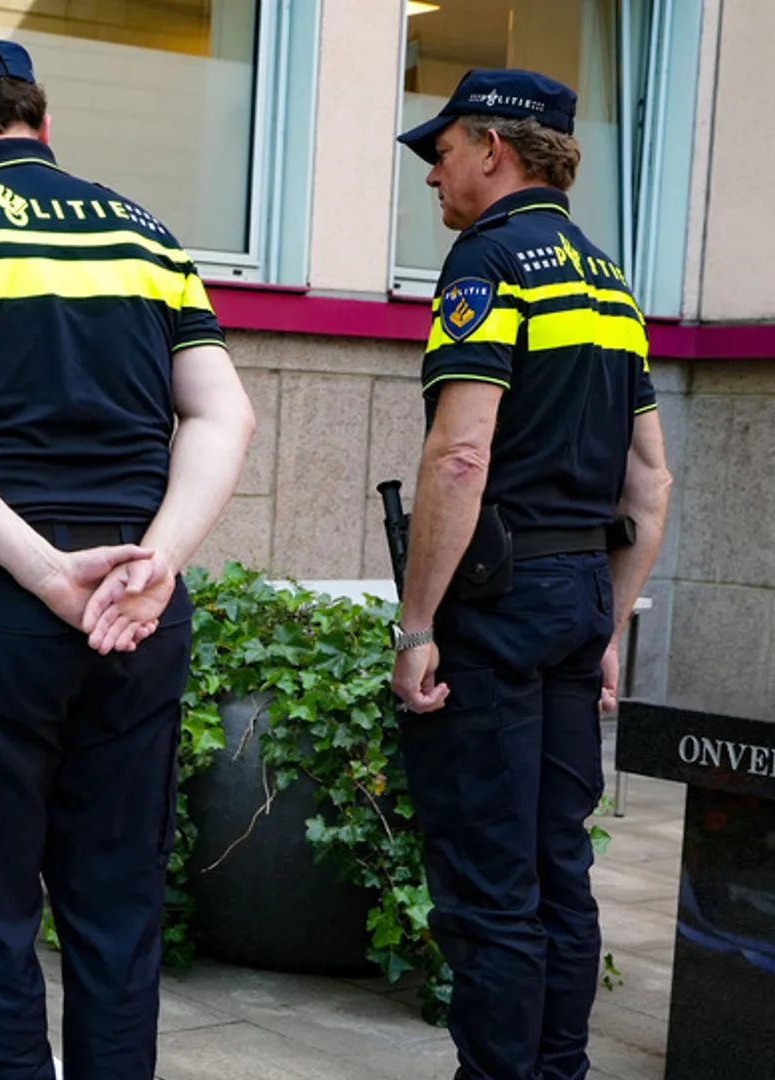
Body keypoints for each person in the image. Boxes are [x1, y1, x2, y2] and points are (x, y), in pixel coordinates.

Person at [0, 38, 255, 1080]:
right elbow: (222, 413)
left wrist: (38, 570)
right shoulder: (147, 235)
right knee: (117, 915)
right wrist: (155, 563)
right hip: (137, 610)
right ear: (43, 121)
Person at [389, 69, 673, 1080]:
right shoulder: (606, 281)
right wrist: (608, 623)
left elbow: (461, 456)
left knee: (488, 883)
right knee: (558, 870)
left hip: (497, 610)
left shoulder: (490, 262)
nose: (434, 176)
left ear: (494, 149)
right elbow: (649, 482)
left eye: (444, 151)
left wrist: (418, 622)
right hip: (572, 603)